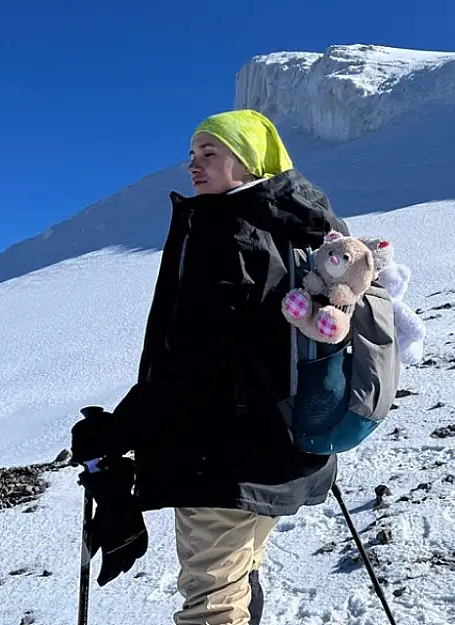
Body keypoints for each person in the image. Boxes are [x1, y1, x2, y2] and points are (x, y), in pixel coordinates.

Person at [70, 109, 347, 625]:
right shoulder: (297, 225)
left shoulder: (227, 231)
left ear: (245, 161)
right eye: (192, 155)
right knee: (239, 579)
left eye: (209, 153)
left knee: (211, 604)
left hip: (220, 456)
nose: (193, 166)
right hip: (286, 448)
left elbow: (195, 359)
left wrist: (117, 431)